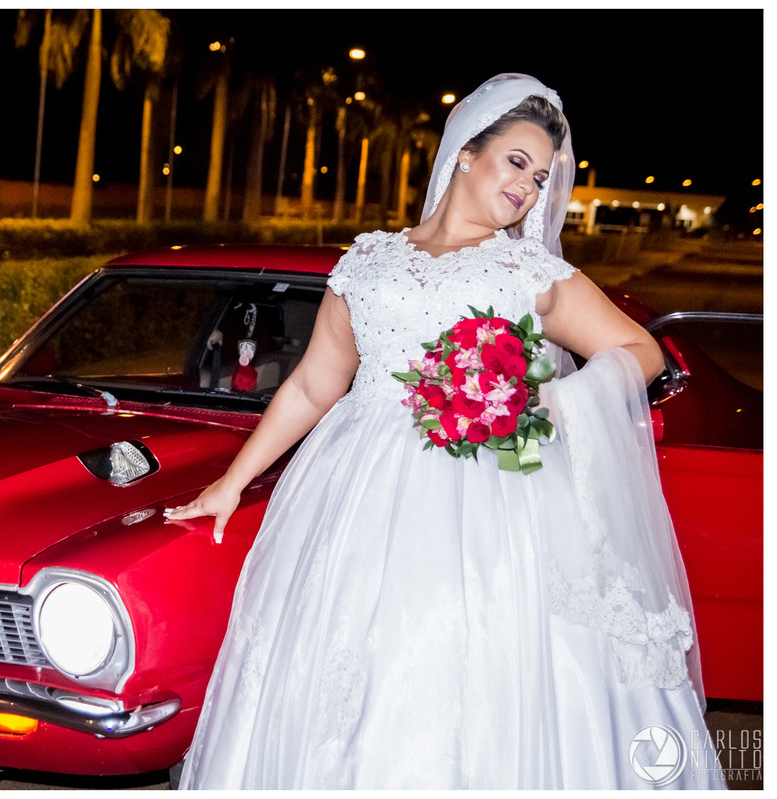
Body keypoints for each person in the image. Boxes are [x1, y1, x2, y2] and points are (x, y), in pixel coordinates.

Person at [166, 74, 724, 789]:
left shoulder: (530, 269)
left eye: (543, 176)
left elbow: (640, 353)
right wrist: (230, 482)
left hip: (498, 498)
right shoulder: (366, 261)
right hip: (356, 495)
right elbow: (312, 385)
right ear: (466, 152)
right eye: (517, 161)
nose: (528, 186)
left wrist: (549, 401)